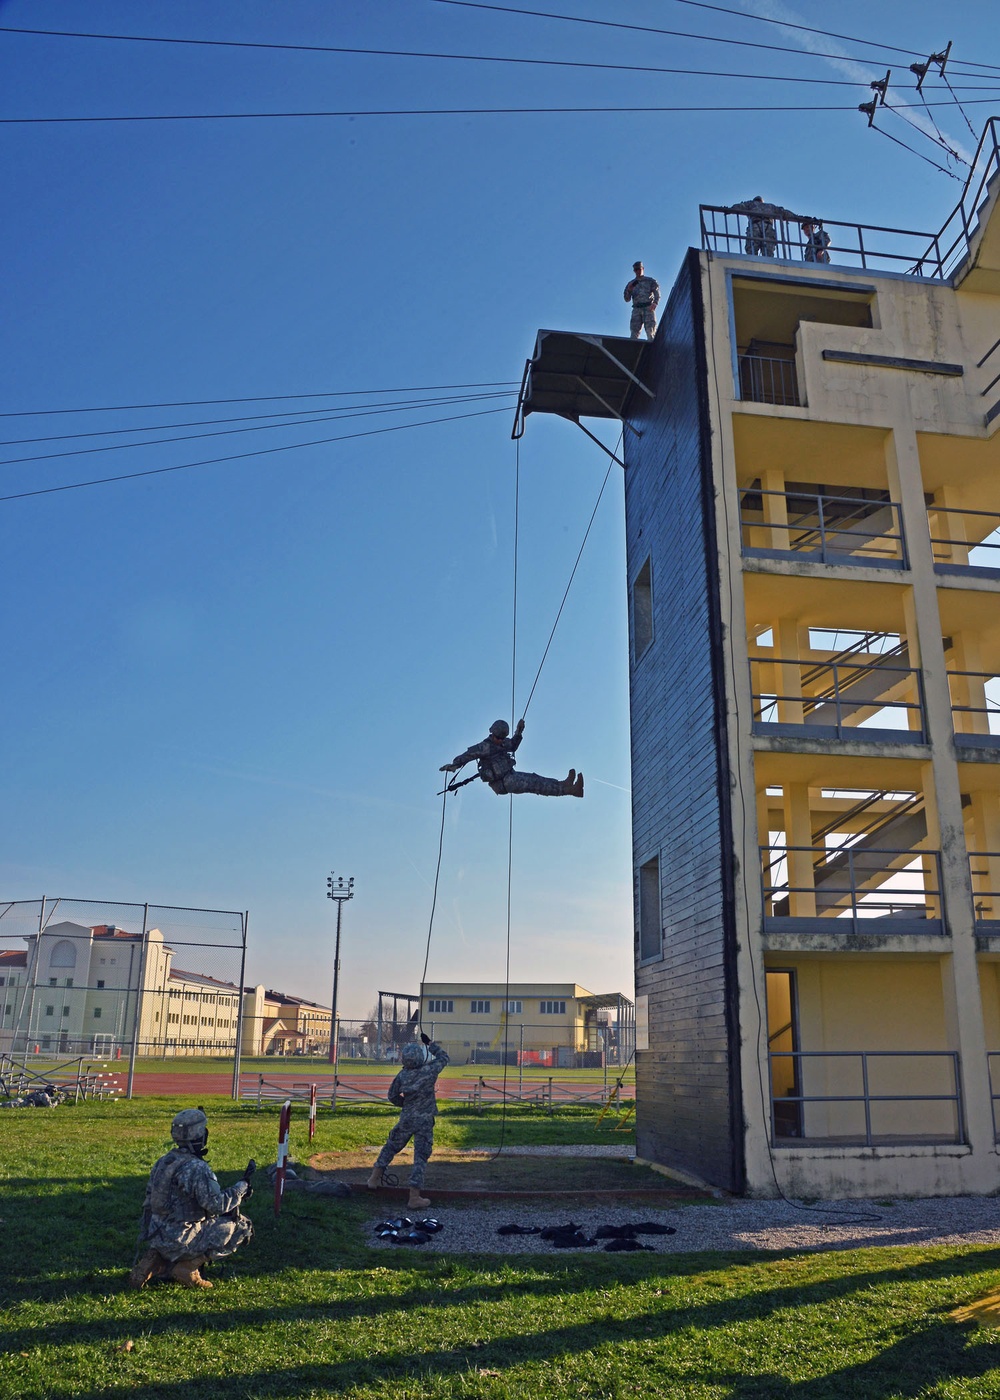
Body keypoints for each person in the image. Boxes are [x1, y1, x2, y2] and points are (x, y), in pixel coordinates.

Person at [129, 1107, 254, 1290]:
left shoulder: (165, 1161)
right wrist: (241, 1188)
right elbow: (217, 1205)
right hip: (180, 1238)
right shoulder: (196, 1168)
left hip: (155, 1234)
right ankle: (188, 1268)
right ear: (199, 1135)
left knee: (184, 1225)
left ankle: (156, 1258)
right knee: (242, 1227)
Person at [367, 1034, 450, 1210]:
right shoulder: (430, 1070)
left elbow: (392, 1095)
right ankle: (414, 1196)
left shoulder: (402, 1075)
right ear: (420, 1057)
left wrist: (405, 1104)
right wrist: (430, 1044)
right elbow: (444, 1058)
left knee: (391, 1146)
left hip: (407, 1117)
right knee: (420, 1156)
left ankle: (374, 1178)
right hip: (425, 1120)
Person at [440, 718, 583, 798]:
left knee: (536, 779)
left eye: (502, 738)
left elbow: (513, 745)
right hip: (503, 783)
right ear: (492, 734)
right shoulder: (484, 747)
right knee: (535, 784)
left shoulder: (503, 742)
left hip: (510, 776)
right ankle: (569, 790)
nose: (500, 741)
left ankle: (565, 784)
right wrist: (454, 765)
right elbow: (467, 756)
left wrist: (519, 731)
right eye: (498, 738)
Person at [729, 197, 802, 257]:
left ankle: (752, 265)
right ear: (762, 201)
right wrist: (798, 217)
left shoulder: (750, 204)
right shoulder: (770, 206)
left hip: (755, 228)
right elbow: (784, 212)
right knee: (768, 253)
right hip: (768, 228)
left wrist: (729, 210)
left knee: (751, 252)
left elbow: (739, 207)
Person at [623, 261, 660, 340]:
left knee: (651, 331)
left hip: (648, 307)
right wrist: (629, 290)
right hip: (636, 309)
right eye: (636, 270)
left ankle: (652, 348)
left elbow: (657, 293)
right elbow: (627, 299)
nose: (638, 271)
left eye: (639, 269)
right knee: (634, 332)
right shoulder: (631, 283)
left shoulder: (650, 281)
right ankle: (634, 349)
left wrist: (655, 303)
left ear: (643, 269)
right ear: (634, 271)